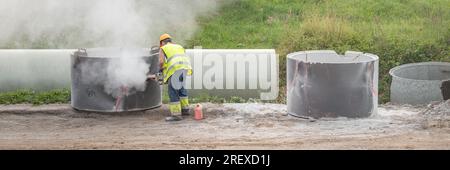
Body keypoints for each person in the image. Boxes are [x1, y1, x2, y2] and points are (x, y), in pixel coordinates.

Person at [157, 33, 193, 121]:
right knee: (181, 89)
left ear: (162, 42)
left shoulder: (163, 48)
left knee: (173, 91)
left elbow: (161, 62)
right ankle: (185, 110)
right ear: (170, 41)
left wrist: (160, 69)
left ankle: (176, 115)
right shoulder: (179, 46)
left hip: (174, 70)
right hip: (184, 68)